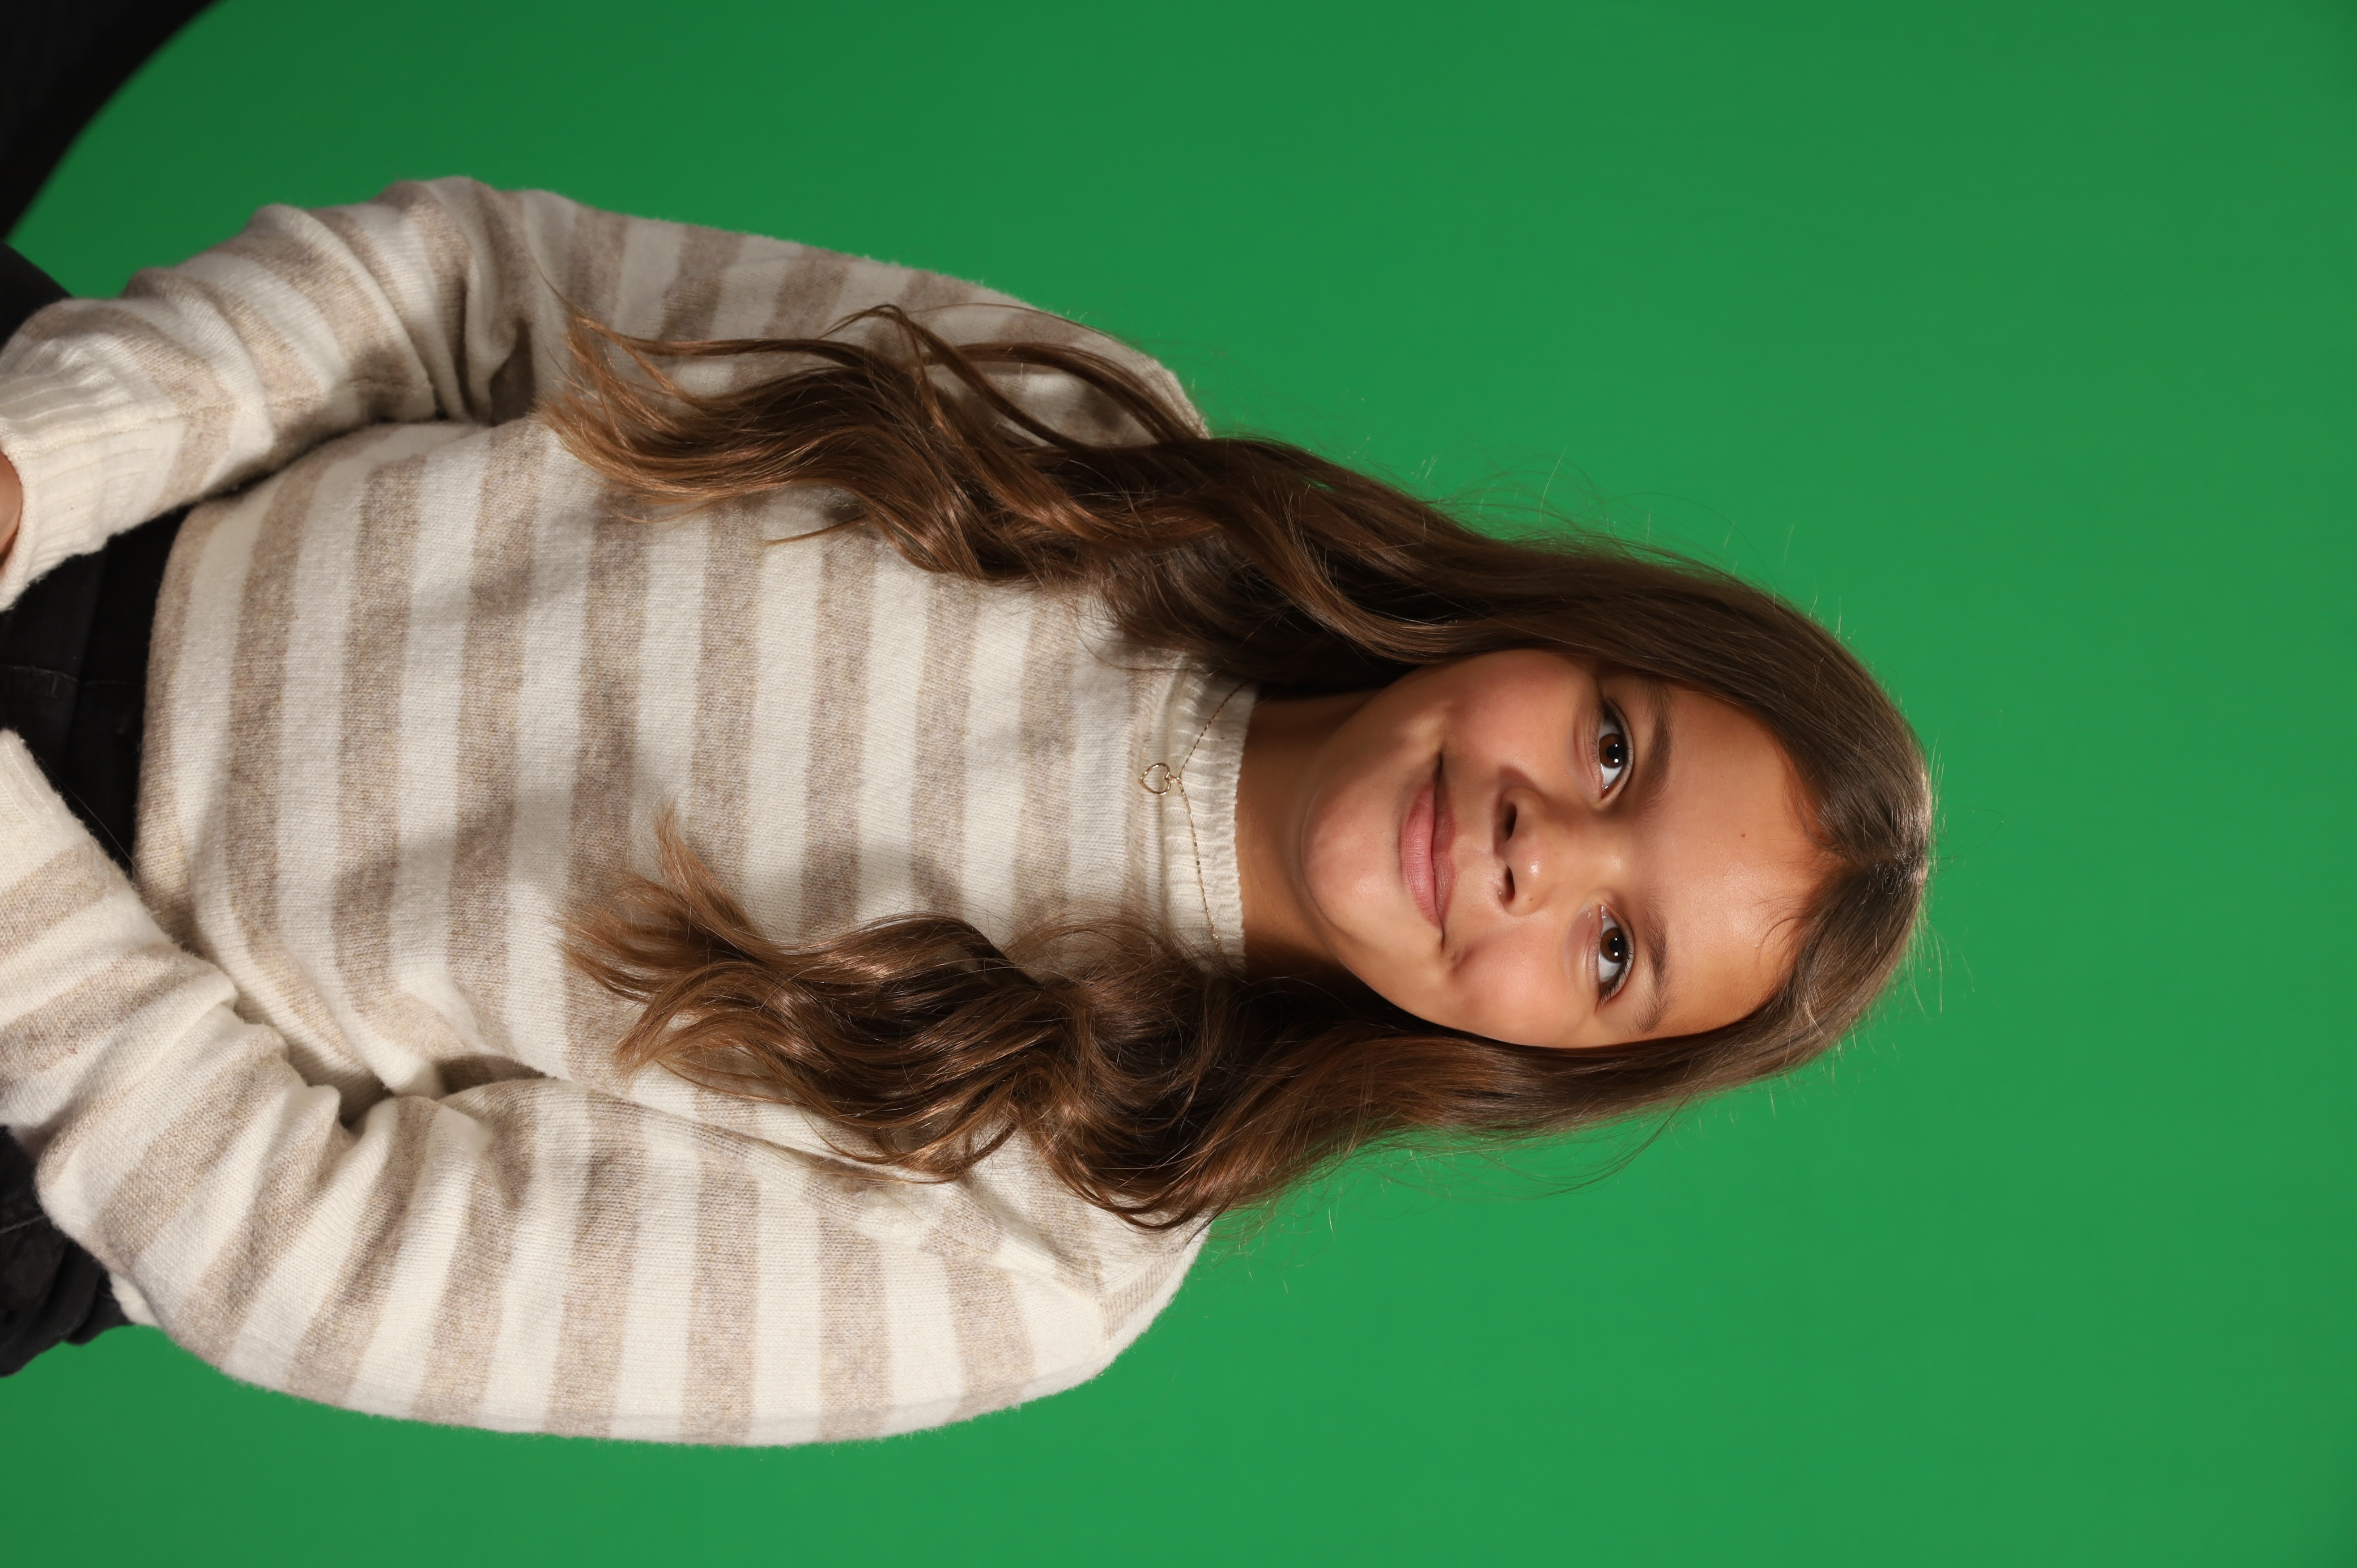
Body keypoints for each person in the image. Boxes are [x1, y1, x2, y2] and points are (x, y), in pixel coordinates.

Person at [0, 178, 1930, 1442]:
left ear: (1544, 1061)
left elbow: (319, 1257)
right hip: (94, 471)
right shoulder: (1090, 434)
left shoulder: (1046, 1261)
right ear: (1562, 634)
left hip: (50, 1059)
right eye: (1615, 752)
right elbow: (474, 289)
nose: (1539, 848)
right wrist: (43, 462)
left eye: (1613, 950)